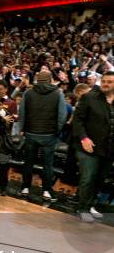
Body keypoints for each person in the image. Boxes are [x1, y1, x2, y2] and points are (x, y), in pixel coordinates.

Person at [17, 71, 67, 201]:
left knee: (28, 162)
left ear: (37, 80)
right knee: (48, 164)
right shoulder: (58, 93)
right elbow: (62, 115)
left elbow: (22, 112)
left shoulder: (28, 93)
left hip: (31, 133)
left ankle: (25, 188)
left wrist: (22, 128)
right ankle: (46, 191)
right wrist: (57, 130)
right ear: (50, 80)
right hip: (49, 134)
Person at [73, 71, 114, 222]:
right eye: (104, 81)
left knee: (99, 179)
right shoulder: (89, 97)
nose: (105, 84)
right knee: (88, 177)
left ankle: (90, 205)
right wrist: (84, 138)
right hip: (88, 147)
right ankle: (82, 208)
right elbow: (77, 121)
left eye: (110, 82)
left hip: (108, 149)